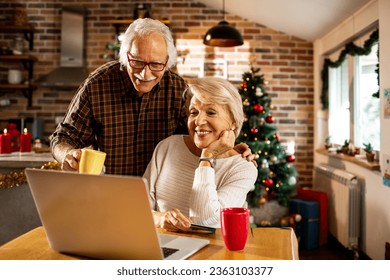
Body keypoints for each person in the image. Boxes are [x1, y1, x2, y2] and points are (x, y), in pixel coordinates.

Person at [50, 18, 253, 176]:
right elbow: (63, 138)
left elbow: (199, 136)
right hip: (112, 190)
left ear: (167, 61)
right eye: (137, 62)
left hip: (164, 198)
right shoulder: (98, 85)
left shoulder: (177, 89)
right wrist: (67, 154)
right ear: (125, 56)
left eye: (156, 65)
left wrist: (232, 152)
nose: (144, 74)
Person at [143, 77, 258, 231]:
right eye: (194, 112)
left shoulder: (243, 169)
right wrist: (160, 219)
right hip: (163, 248)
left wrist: (207, 158)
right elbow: (139, 209)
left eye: (211, 112)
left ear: (233, 122)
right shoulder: (167, 147)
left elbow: (206, 222)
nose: (199, 120)